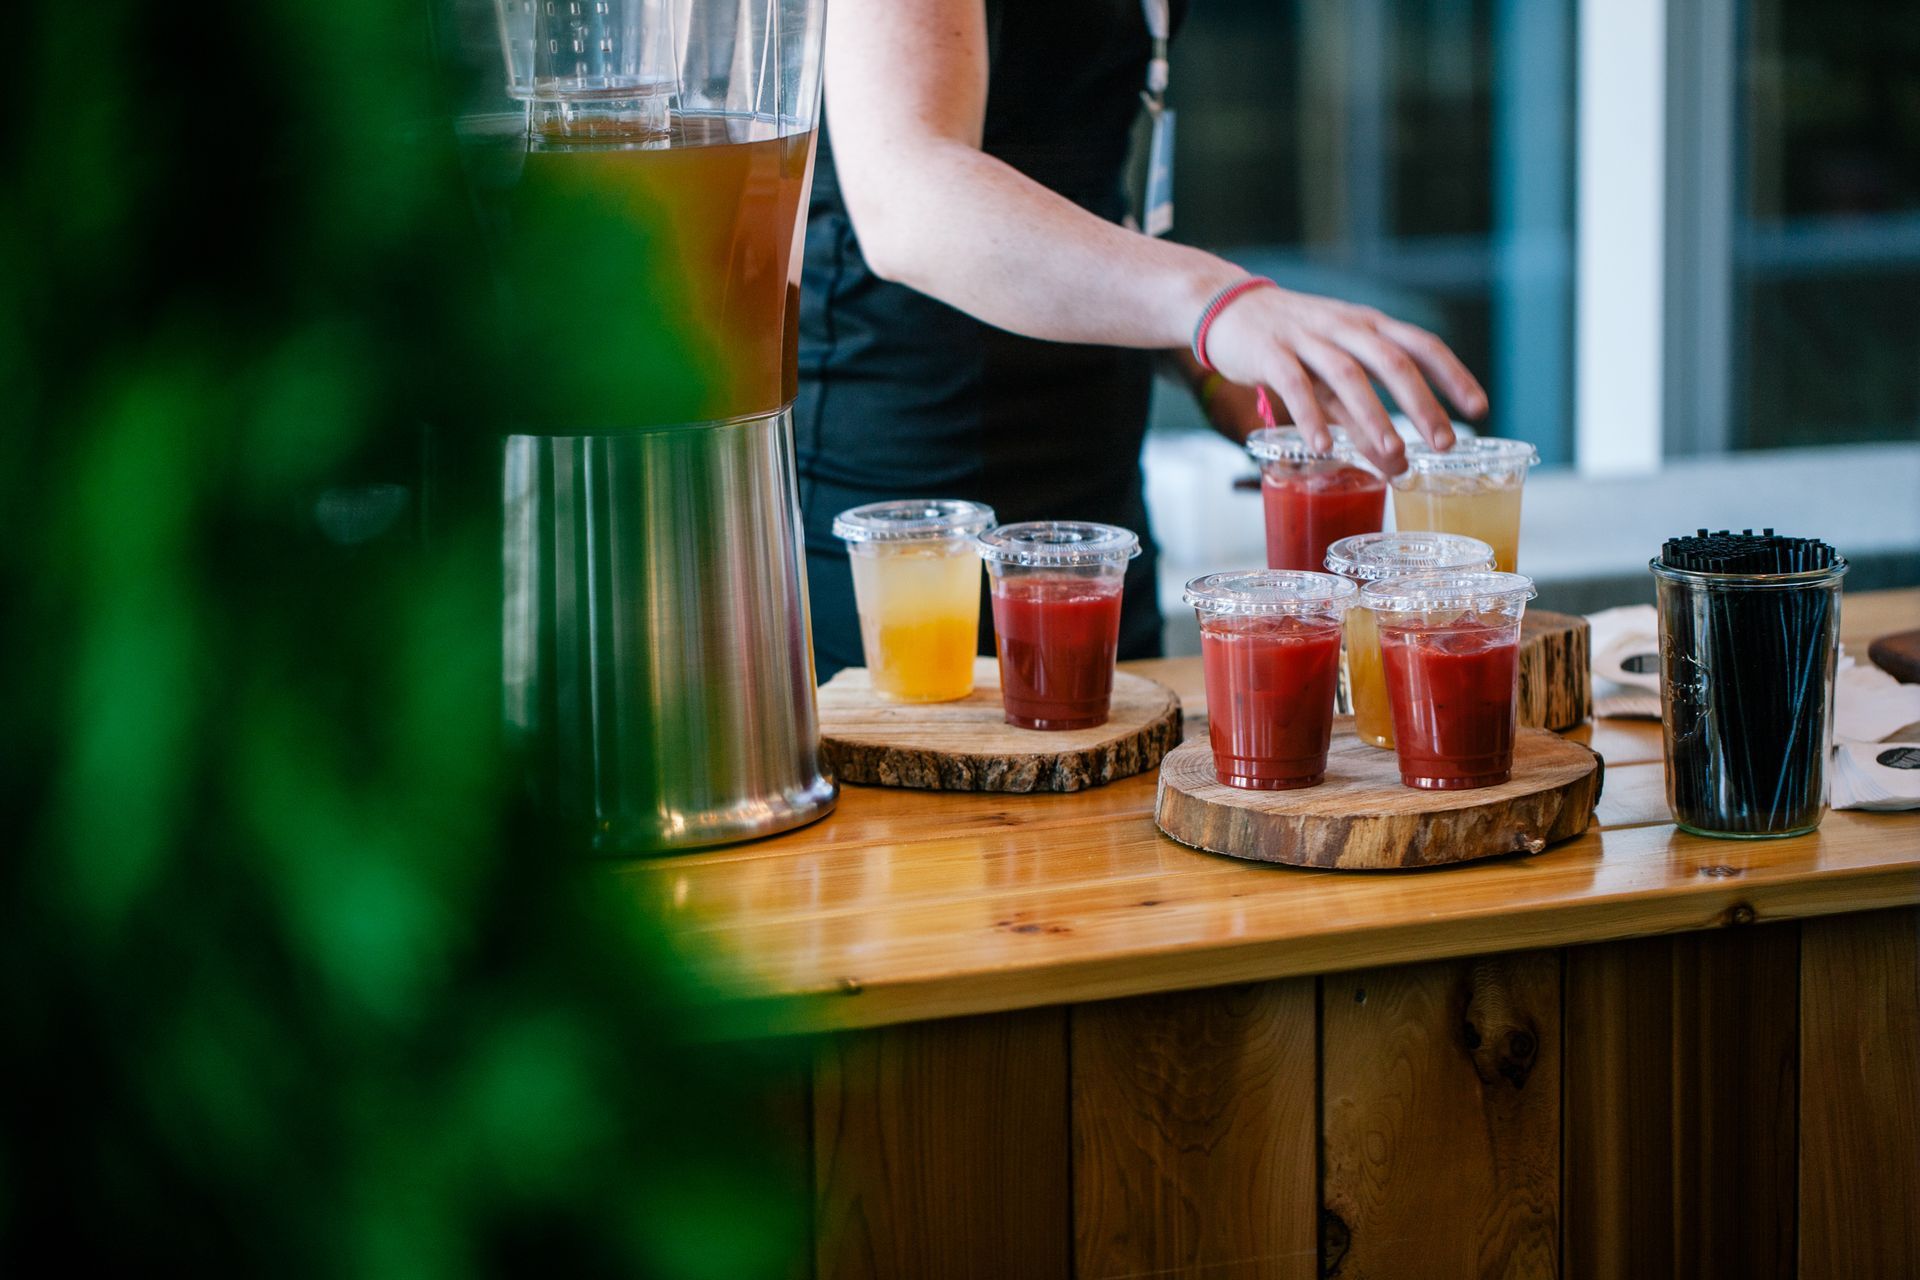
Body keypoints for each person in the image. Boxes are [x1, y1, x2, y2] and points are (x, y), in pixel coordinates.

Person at [796, 0, 1488, 678]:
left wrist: (1208, 363)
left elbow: (1080, 192)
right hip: (906, 514)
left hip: (1100, 518)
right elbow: (902, 196)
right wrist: (1218, 303)